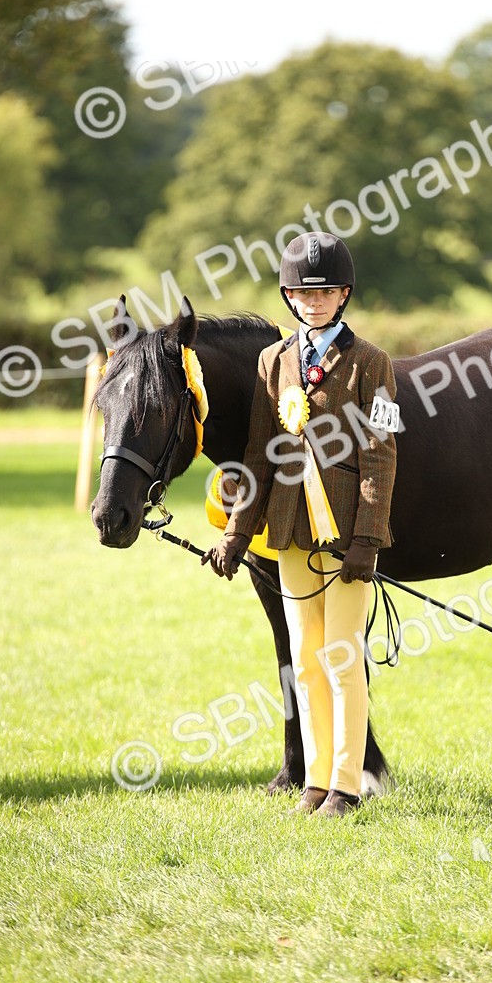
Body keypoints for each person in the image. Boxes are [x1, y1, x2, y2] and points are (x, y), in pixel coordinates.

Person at [202, 232, 398, 818]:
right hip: (289, 528)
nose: (314, 301)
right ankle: (315, 776)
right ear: (289, 296)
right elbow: (261, 453)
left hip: (344, 535)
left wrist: (368, 535)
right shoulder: (274, 361)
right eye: (302, 293)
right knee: (306, 658)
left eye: (326, 291)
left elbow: (381, 453)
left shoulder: (372, 364)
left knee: (341, 655)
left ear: (344, 296)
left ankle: (347, 783)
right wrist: (238, 534)